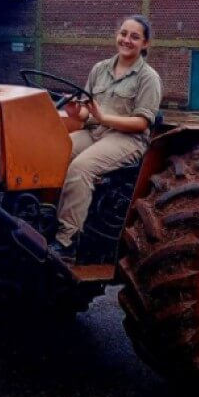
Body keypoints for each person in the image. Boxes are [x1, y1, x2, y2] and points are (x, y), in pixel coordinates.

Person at [51, 15, 162, 261]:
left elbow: (142, 122)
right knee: (52, 155)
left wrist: (103, 118)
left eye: (135, 37)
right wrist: (74, 111)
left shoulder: (148, 78)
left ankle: (67, 241)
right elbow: (86, 112)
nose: (127, 40)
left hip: (127, 139)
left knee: (81, 168)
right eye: (123, 34)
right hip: (94, 132)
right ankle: (42, 221)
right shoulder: (100, 69)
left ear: (145, 44)